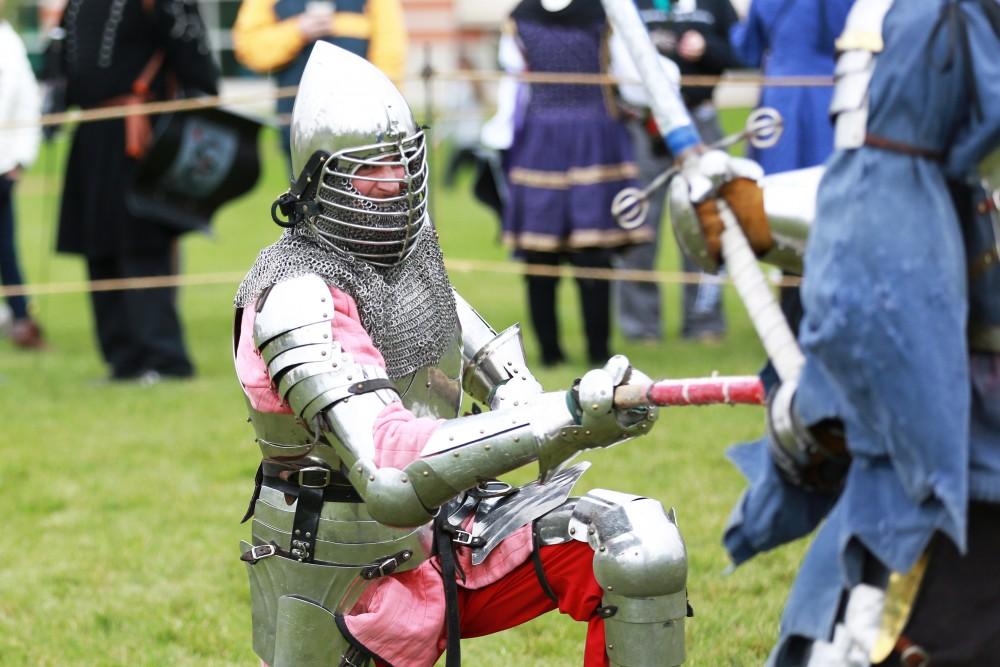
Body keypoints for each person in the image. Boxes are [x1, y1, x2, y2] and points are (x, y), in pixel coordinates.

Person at [233, 42, 689, 667]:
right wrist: (569, 413)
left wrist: (592, 417)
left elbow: (510, 388)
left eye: (401, 162)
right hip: (346, 575)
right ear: (319, 181)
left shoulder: (410, 260)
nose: (393, 183)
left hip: (448, 528)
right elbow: (389, 472)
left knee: (638, 544)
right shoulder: (295, 297)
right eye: (369, 169)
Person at [672, 0, 1000, 663]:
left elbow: (890, 199)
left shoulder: (929, 17)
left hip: (960, 456)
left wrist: (819, 405)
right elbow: (895, 180)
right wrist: (763, 214)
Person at [56, 0, 219, 381]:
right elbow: (64, 67)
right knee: (99, 247)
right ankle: (123, 360)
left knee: (142, 246)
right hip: (92, 134)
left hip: (140, 133)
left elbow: (197, 66)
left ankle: (165, 359)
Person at [500, 0, 652, 367]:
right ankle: (590, 352)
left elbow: (513, 82)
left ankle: (558, 353)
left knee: (551, 254)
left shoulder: (520, 16)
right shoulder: (604, 12)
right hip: (591, 136)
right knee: (583, 253)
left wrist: (502, 138)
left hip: (543, 136)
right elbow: (632, 83)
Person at [613, 0, 740, 344]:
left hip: (700, 121)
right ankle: (641, 327)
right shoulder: (629, 4)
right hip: (642, 124)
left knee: (705, 224)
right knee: (637, 227)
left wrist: (705, 48)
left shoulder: (714, 4)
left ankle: (705, 322)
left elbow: (739, 52)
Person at [231, 0, 407, 174]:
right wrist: (297, 30)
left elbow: (390, 49)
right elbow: (249, 48)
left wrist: (384, 108)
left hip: (362, 120)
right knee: (305, 195)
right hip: (298, 124)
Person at [0, 11, 45, 349]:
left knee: (5, 250)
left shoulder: (10, 43)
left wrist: (20, 158)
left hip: (2, 165)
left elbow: (28, 103)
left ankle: (21, 319)